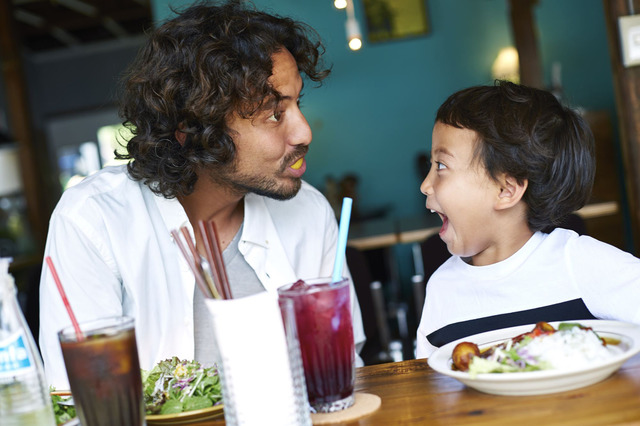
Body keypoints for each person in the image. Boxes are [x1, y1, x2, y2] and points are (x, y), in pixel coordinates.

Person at [39, 0, 365, 388]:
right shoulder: (94, 221)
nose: (304, 132)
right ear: (192, 128)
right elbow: (81, 398)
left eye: (297, 103)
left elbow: (345, 371)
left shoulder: (309, 211)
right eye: (274, 113)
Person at [415, 80, 640, 358]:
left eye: (441, 166)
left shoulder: (578, 263)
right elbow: (432, 385)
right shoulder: (442, 289)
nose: (426, 185)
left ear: (506, 190)